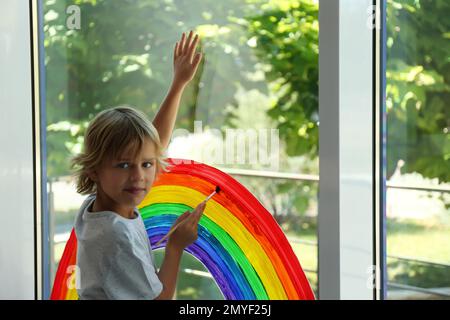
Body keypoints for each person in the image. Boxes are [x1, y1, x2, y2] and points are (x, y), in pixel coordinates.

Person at [70, 31, 204, 300]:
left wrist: (178, 84)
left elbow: (153, 145)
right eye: (123, 165)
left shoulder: (102, 205)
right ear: (94, 169)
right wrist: (175, 247)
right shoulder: (117, 236)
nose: (138, 176)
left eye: (146, 165)